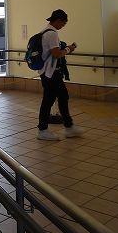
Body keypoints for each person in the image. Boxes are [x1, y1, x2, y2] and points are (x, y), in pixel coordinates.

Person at [36, 9, 84, 141]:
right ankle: (43, 130)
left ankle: (69, 127)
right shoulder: (52, 34)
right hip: (50, 73)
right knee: (49, 100)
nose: (63, 26)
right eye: (63, 23)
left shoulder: (44, 31)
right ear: (58, 20)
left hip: (48, 72)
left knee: (62, 96)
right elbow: (56, 54)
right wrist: (69, 49)